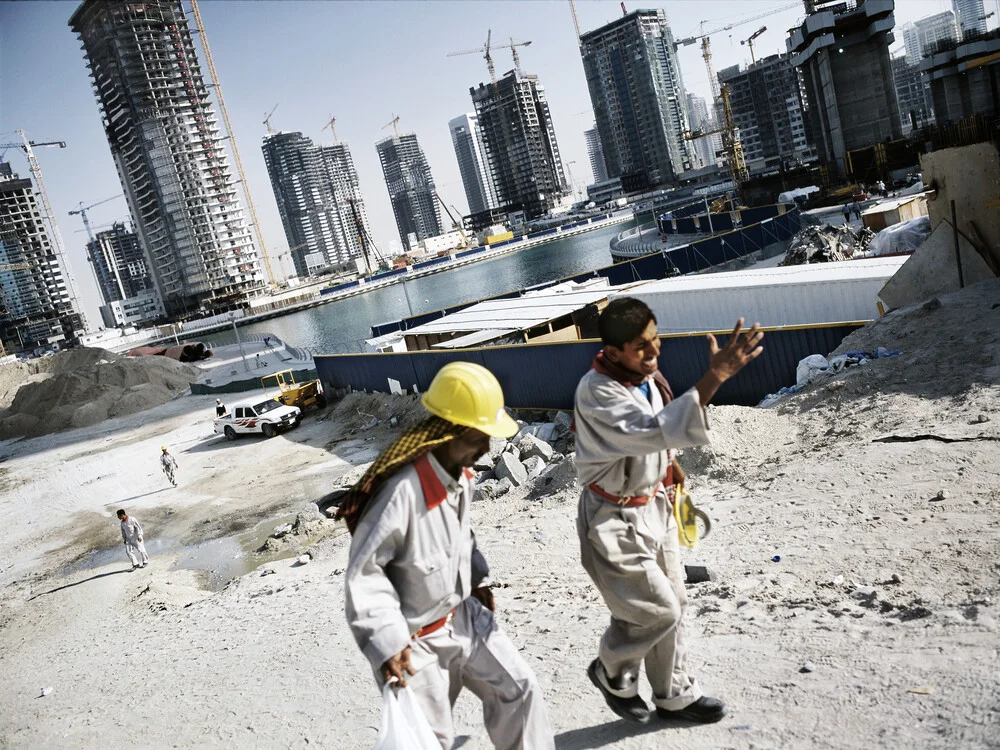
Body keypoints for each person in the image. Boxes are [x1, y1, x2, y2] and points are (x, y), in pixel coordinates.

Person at [338, 362, 554, 749]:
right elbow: (364, 573)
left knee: (520, 691)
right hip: (416, 643)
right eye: (478, 437)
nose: (487, 448)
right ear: (449, 432)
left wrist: (476, 579)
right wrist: (388, 643)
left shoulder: (461, 477)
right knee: (430, 740)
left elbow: (460, 537)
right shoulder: (401, 492)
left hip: (465, 616)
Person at [573, 297, 763, 727]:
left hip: (654, 504)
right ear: (615, 350)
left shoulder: (647, 376)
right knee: (657, 609)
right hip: (612, 518)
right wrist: (715, 377)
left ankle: (673, 693)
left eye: (656, 339)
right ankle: (611, 670)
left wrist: (672, 476)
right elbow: (651, 431)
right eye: (642, 346)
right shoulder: (597, 390)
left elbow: (662, 439)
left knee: (676, 598)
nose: (654, 352)